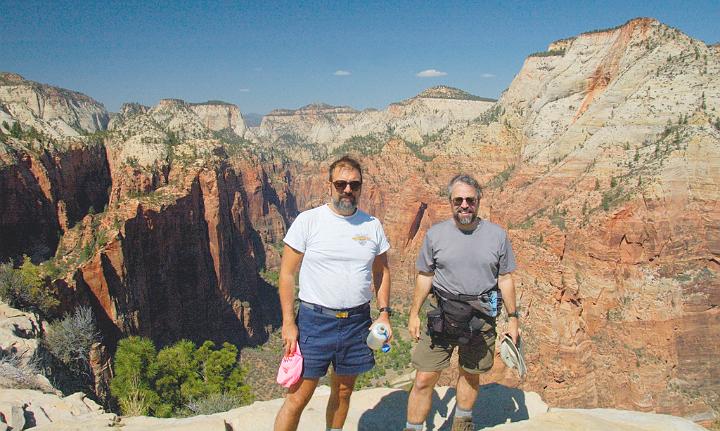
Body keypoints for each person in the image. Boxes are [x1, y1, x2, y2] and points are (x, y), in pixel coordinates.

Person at [274, 155, 393, 431]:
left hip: (357, 322)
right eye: (341, 184)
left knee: (343, 392)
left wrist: (384, 314)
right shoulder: (309, 221)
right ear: (329, 186)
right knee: (299, 396)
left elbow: (382, 271)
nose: (347, 190)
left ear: (361, 187)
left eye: (354, 184)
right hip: (315, 323)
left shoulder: (372, 225)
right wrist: (289, 323)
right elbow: (286, 274)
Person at [404, 174, 518, 431]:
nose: (464, 205)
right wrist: (414, 313)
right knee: (424, 378)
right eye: (458, 200)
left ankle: (462, 422)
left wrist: (513, 318)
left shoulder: (497, 236)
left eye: (470, 200)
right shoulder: (435, 235)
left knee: (470, 373)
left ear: (478, 201)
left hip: (481, 318)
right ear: (450, 202)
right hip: (442, 315)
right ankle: (412, 427)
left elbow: (505, 278)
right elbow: (425, 276)